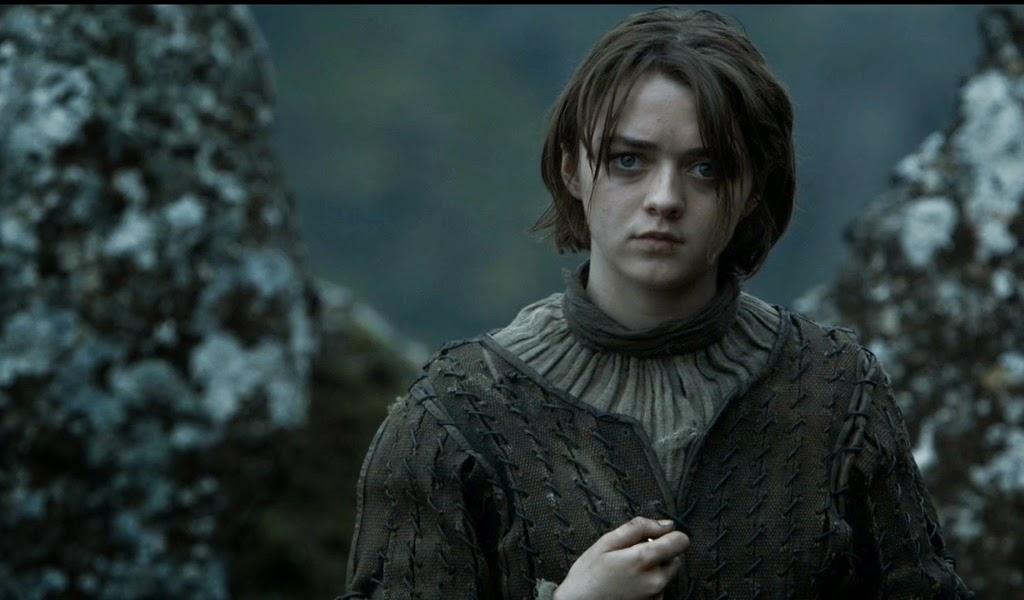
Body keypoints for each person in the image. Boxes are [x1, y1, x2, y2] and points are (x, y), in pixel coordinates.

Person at [341, 7, 973, 599]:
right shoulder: (454, 416)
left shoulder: (835, 393)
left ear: (753, 187)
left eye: (706, 168)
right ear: (572, 169)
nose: (664, 198)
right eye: (628, 161)